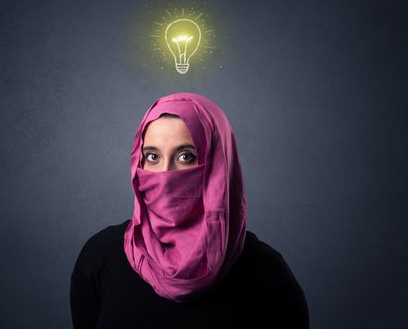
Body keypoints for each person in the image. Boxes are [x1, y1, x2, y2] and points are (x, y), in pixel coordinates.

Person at [70, 92, 309, 329]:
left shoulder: (267, 273)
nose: (165, 174)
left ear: (218, 165)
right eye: (152, 156)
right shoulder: (101, 256)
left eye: (186, 156)